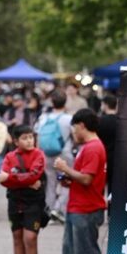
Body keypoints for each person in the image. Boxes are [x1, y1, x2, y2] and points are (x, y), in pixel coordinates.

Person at [51, 109, 106, 254]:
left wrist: (66, 169)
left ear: (82, 125)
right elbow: (82, 177)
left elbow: (86, 178)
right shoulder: (88, 147)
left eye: (74, 127)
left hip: (87, 206)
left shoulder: (93, 147)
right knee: (71, 248)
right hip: (78, 205)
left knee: (85, 249)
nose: (73, 131)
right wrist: (68, 178)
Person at [0, 125, 46, 254]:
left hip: (34, 203)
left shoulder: (39, 155)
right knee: (17, 237)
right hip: (14, 201)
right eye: (25, 138)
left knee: (30, 237)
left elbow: (35, 174)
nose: (29, 140)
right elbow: (1, 180)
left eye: (31, 137)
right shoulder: (10, 156)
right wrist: (24, 181)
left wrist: (11, 177)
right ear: (16, 141)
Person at [34, 90, 73, 221]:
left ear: (52, 102)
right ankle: (59, 208)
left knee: (50, 182)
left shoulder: (43, 118)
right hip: (64, 154)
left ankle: (48, 210)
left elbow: (38, 137)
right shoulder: (69, 119)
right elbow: (75, 137)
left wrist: (38, 153)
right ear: (65, 102)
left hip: (46, 154)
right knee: (66, 181)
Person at [97, 95, 117, 193]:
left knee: (99, 185)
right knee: (113, 188)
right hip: (115, 158)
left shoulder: (100, 121)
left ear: (105, 105)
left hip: (101, 157)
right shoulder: (121, 122)